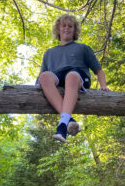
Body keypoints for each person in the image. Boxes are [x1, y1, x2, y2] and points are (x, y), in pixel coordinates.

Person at [38, 14, 110, 143]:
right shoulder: (49, 53)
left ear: (74, 30)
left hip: (77, 76)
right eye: (63, 26)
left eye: (70, 26)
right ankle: (68, 120)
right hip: (58, 77)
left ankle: (62, 127)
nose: (67, 28)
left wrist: (103, 85)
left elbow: (98, 70)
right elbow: (41, 77)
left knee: (71, 76)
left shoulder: (83, 48)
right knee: (44, 77)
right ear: (58, 30)